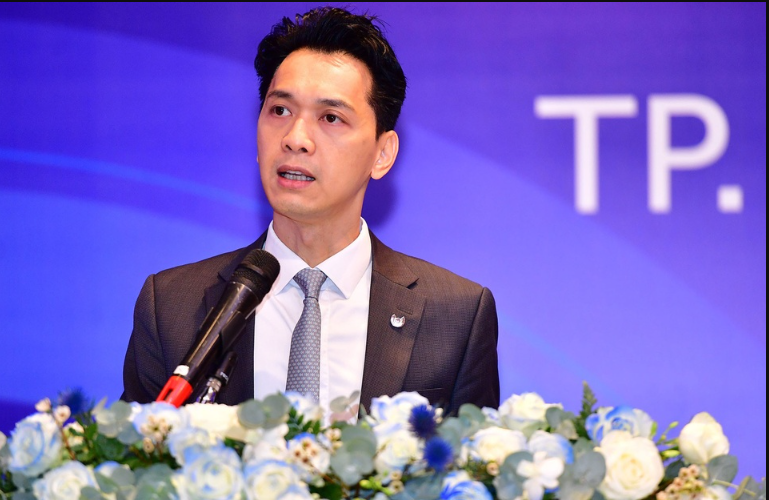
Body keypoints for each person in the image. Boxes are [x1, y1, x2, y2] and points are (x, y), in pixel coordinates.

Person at [122, 6, 499, 416]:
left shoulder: (456, 315)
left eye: (331, 117)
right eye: (280, 111)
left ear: (382, 153)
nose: (295, 138)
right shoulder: (171, 306)